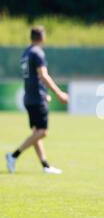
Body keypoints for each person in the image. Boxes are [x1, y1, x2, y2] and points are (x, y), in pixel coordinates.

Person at [6, 26, 69, 174]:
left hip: (29, 96)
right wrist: (59, 93)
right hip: (36, 98)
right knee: (42, 132)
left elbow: (33, 77)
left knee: (36, 132)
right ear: (43, 38)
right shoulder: (38, 53)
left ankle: (45, 165)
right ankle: (13, 155)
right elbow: (43, 75)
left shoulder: (26, 53)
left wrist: (43, 92)